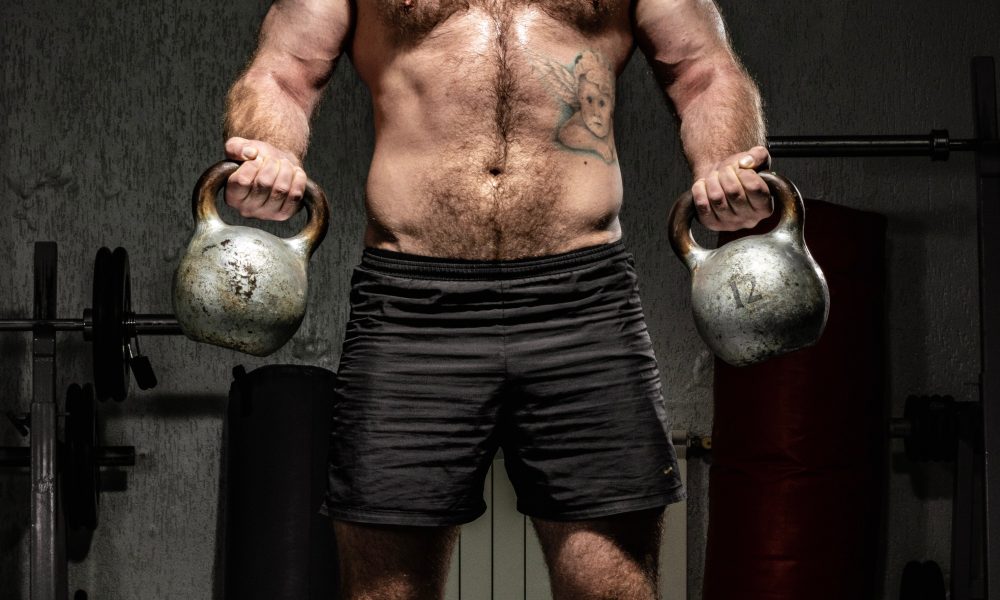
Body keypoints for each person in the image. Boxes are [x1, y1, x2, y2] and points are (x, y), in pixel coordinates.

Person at [222, 1, 771, 598]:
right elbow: (284, 71)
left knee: (611, 588)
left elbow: (703, 70)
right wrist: (271, 152)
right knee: (386, 592)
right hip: (412, 309)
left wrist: (723, 163)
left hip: (583, 303)